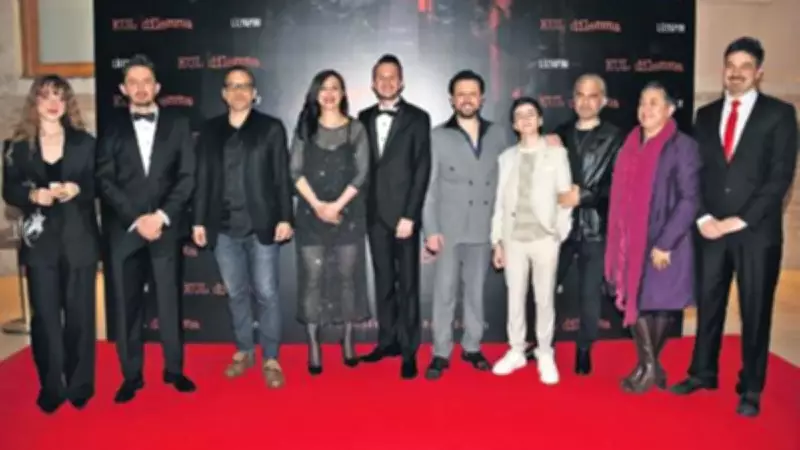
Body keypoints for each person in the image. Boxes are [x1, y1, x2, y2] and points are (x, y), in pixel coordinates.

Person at [671, 37, 798, 417]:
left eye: (745, 66)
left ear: (759, 72)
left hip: (755, 233)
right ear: (723, 69)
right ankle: (703, 372)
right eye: (731, 65)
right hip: (710, 230)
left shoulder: (779, 114)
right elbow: (693, 172)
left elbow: (780, 177)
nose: (736, 72)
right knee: (709, 304)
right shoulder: (705, 115)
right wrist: (703, 217)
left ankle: (751, 386)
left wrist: (739, 220)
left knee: (755, 310)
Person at [96, 54, 196, 403]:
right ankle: (131, 375)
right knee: (126, 307)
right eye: (133, 82)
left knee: (169, 302)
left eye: (146, 82)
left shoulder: (179, 124)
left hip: (166, 228)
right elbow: (104, 178)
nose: (140, 88)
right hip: (124, 231)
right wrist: (137, 219)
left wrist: (161, 217)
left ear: (157, 87)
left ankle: (174, 370)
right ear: (123, 89)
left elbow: (187, 176)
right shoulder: (110, 127)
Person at [192, 66, 294, 388]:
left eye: (244, 85)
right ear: (224, 93)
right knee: (236, 293)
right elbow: (202, 179)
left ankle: (271, 358)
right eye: (233, 86)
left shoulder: (271, 128)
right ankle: (244, 351)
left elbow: (282, 177)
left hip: (261, 226)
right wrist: (198, 220)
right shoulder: (209, 131)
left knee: (266, 293)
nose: (238, 91)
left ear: (254, 93)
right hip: (222, 228)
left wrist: (285, 217)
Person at [2, 75, 99, 413]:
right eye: (46, 96)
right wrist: (33, 195)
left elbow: (99, 184)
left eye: (60, 96)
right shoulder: (16, 146)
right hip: (40, 244)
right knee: (44, 319)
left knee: (80, 318)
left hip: (79, 240)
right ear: (35, 102)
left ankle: (80, 385)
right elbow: (10, 190)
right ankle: (51, 386)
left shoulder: (86, 143)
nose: (53, 103)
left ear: (68, 102)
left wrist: (78, 189)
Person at [605, 81, 701, 394]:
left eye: (654, 103)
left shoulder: (682, 146)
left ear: (670, 109)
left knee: (658, 304)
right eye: (642, 102)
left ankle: (647, 367)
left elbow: (690, 199)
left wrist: (665, 243)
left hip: (665, 241)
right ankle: (650, 367)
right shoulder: (630, 144)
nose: (646, 109)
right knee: (641, 302)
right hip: (631, 241)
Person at [422, 70, 510, 380]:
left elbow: (507, 184)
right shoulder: (437, 136)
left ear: (482, 98)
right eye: (461, 94)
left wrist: (502, 234)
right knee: (444, 292)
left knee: (475, 292)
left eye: (472, 93)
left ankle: (472, 346)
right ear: (452, 100)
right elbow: (429, 188)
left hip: (484, 228)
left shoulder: (499, 134)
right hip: (448, 229)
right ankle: (441, 351)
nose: (467, 99)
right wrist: (431, 230)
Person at [291, 70, 370, 375]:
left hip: (348, 215)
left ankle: (348, 340)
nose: (329, 93)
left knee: (348, 277)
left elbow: (362, 173)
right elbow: (294, 171)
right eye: (323, 88)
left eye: (335, 88)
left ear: (343, 93)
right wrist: (318, 206)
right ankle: (313, 343)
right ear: (315, 94)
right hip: (310, 215)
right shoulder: (305, 129)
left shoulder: (356, 129)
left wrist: (336, 206)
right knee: (312, 277)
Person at [357, 54, 432, 379]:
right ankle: (387, 341)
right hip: (374, 216)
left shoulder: (418, 118)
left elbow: (422, 169)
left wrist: (410, 215)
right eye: (381, 77)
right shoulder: (362, 117)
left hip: (404, 218)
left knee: (408, 286)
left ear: (401, 82)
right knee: (383, 282)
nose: (386, 82)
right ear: (373, 83)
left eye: (392, 77)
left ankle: (409, 350)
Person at [489, 97, 573, 385]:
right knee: (514, 297)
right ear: (514, 124)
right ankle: (516, 350)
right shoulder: (506, 158)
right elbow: (500, 202)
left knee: (544, 298)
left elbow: (565, 197)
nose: (525, 119)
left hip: (544, 239)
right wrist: (497, 241)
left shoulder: (556, 154)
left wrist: (558, 233)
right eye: (519, 115)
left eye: (530, 114)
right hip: (513, 238)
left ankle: (545, 352)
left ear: (540, 120)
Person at [553, 74, 623, 374]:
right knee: (544, 288)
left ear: (603, 101)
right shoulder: (559, 133)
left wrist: (583, 197)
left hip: (596, 227)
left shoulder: (616, 137)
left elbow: (618, 187)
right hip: (560, 228)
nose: (585, 101)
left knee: (589, 296)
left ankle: (584, 349)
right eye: (580, 95)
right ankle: (542, 344)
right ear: (573, 99)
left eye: (592, 96)